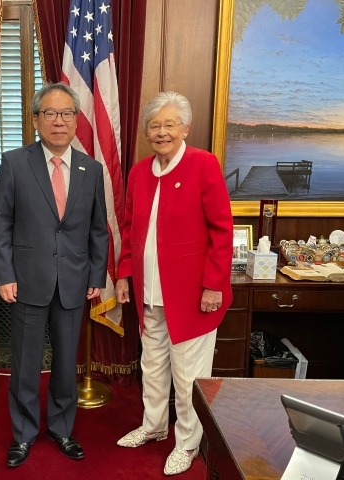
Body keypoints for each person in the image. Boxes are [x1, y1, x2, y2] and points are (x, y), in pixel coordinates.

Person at [0, 82, 109, 468]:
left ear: (77, 120)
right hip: (26, 281)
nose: (59, 121)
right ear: (37, 119)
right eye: (51, 114)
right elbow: (1, 224)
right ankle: (22, 435)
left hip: (74, 281)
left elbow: (97, 229)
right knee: (24, 363)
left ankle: (61, 429)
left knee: (64, 365)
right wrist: (4, 273)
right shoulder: (14, 163)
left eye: (67, 114)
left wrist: (97, 274)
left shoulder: (91, 169)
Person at [115, 92, 233, 476]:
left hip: (194, 298)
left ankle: (187, 442)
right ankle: (152, 427)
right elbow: (130, 229)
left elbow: (222, 229)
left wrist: (214, 284)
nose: (162, 132)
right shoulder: (139, 172)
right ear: (147, 132)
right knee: (151, 367)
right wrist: (124, 275)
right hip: (150, 295)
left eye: (169, 124)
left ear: (185, 128)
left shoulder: (203, 164)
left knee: (187, 377)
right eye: (154, 125)